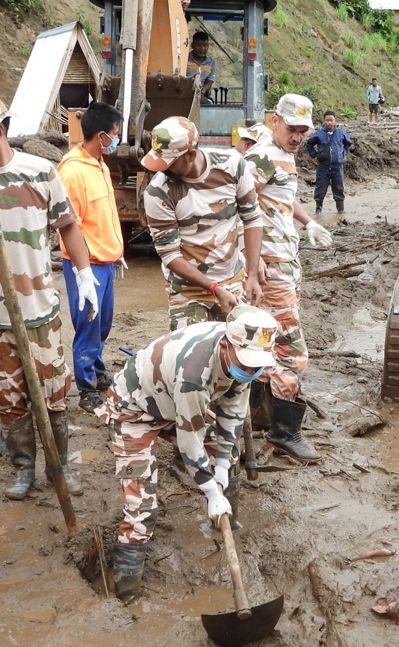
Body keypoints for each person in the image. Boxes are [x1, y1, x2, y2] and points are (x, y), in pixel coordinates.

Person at [0, 91, 96, 502]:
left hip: (38, 310)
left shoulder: (40, 172)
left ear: (0, 130)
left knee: (54, 395)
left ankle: (58, 466)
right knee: (7, 399)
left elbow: (68, 225)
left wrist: (84, 274)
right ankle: (22, 466)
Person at [97, 305, 279, 600]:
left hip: (172, 402)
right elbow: (189, 441)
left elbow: (231, 416)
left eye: (255, 367)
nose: (249, 372)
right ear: (225, 346)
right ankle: (126, 595)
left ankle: (225, 522)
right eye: (245, 365)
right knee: (141, 507)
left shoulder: (245, 362)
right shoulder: (195, 372)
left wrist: (220, 466)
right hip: (134, 410)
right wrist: (211, 490)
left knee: (229, 459)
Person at [245, 94, 331, 462]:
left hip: (285, 261)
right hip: (271, 266)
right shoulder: (261, 155)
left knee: (263, 341)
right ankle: (285, 432)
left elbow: (279, 199)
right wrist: (251, 260)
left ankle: (259, 417)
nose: (297, 137)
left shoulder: (283, 156)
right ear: (275, 120)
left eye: (302, 131)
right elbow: (235, 204)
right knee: (292, 351)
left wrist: (307, 221)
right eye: (292, 129)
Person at [141, 116, 264, 330]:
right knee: (192, 357)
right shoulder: (157, 192)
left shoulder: (232, 166)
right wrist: (214, 288)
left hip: (232, 279)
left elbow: (252, 218)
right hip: (187, 290)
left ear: (190, 154)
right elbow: (170, 254)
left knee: (237, 351)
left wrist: (252, 273)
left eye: (169, 163)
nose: (161, 170)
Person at [58, 101, 125, 413]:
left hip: (105, 261)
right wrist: (83, 272)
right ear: (100, 136)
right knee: (88, 326)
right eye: (114, 135)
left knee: (102, 323)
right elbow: (70, 227)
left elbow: (103, 216)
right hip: (86, 265)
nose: (116, 140)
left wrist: (116, 249)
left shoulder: (99, 165)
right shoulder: (72, 172)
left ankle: (97, 372)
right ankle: (86, 388)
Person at [304, 110, 352, 217]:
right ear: (324, 121)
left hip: (337, 167)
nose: (329, 122)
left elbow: (348, 144)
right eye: (327, 120)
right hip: (323, 167)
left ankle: (340, 210)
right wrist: (314, 154)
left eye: (331, 120)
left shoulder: (341, 133)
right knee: (320, 188)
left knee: (339, 188)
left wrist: (343, 155)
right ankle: (318, 209)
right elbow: (309, 144)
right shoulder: (319, 134)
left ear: (335, 121)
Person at [186, 30, 217, 101]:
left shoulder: (212, 63)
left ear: (208, 46)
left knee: (209, 105)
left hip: (200, 95)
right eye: (199, 45)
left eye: (205, 45)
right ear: (192, 45)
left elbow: (209, 82)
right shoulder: (185, 59)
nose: (202, 49)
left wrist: (202, 91)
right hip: (184, 94)